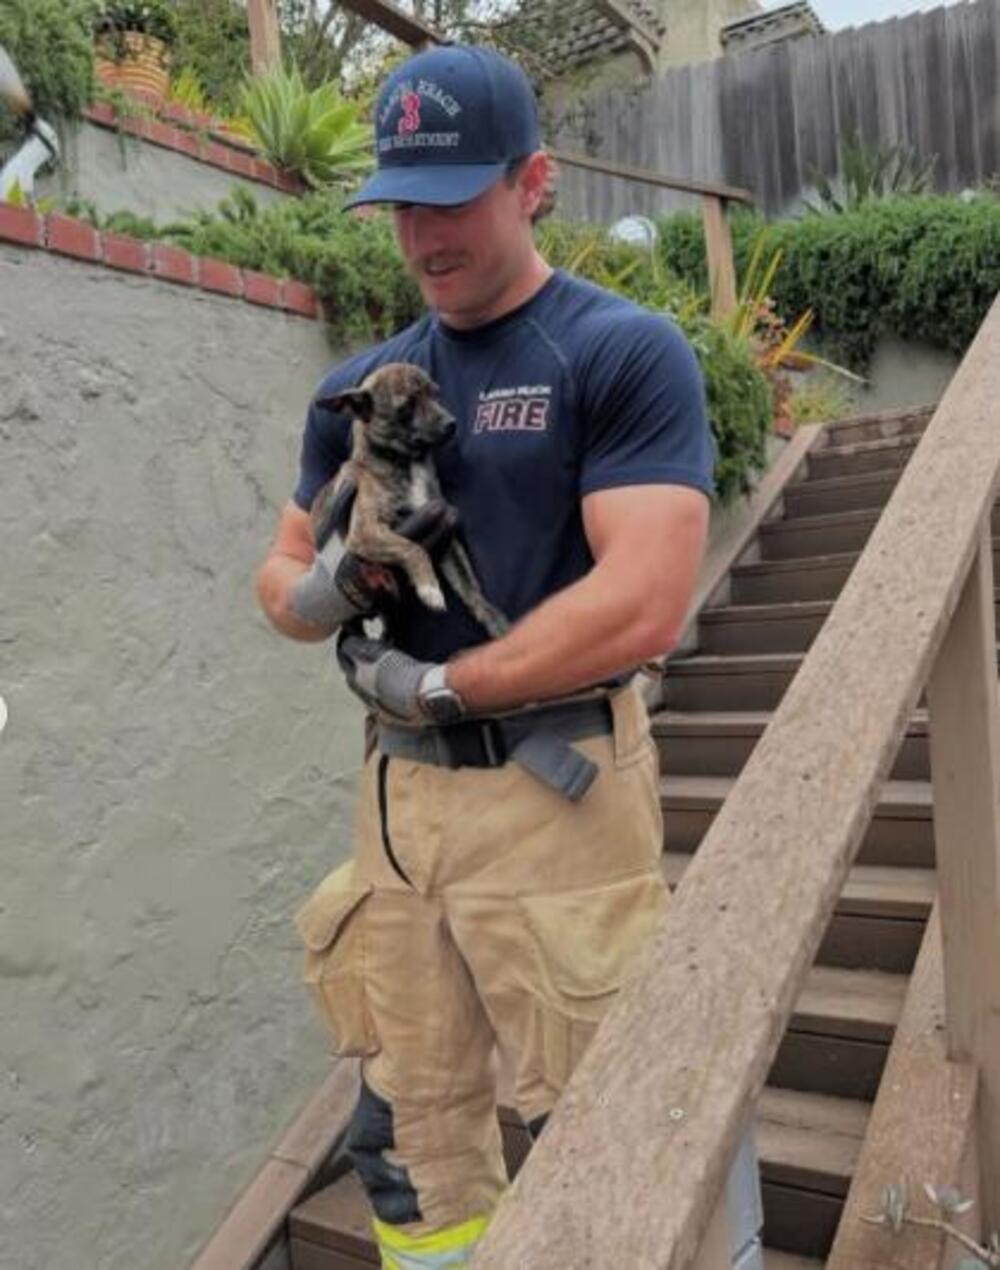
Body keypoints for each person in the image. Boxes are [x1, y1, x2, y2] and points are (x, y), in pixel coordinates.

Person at [256, 42, 714, 1270]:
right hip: (398, 810)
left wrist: (443, 679)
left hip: (554, 790)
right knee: (411, 1143)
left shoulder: (619, 353)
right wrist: (333, 585)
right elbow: (278, 585)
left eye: (451, 196)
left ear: (533, 181)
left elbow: (644, 602)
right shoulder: (358, 389)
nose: (421, 232)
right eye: (402, 202)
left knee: (618, 1115)